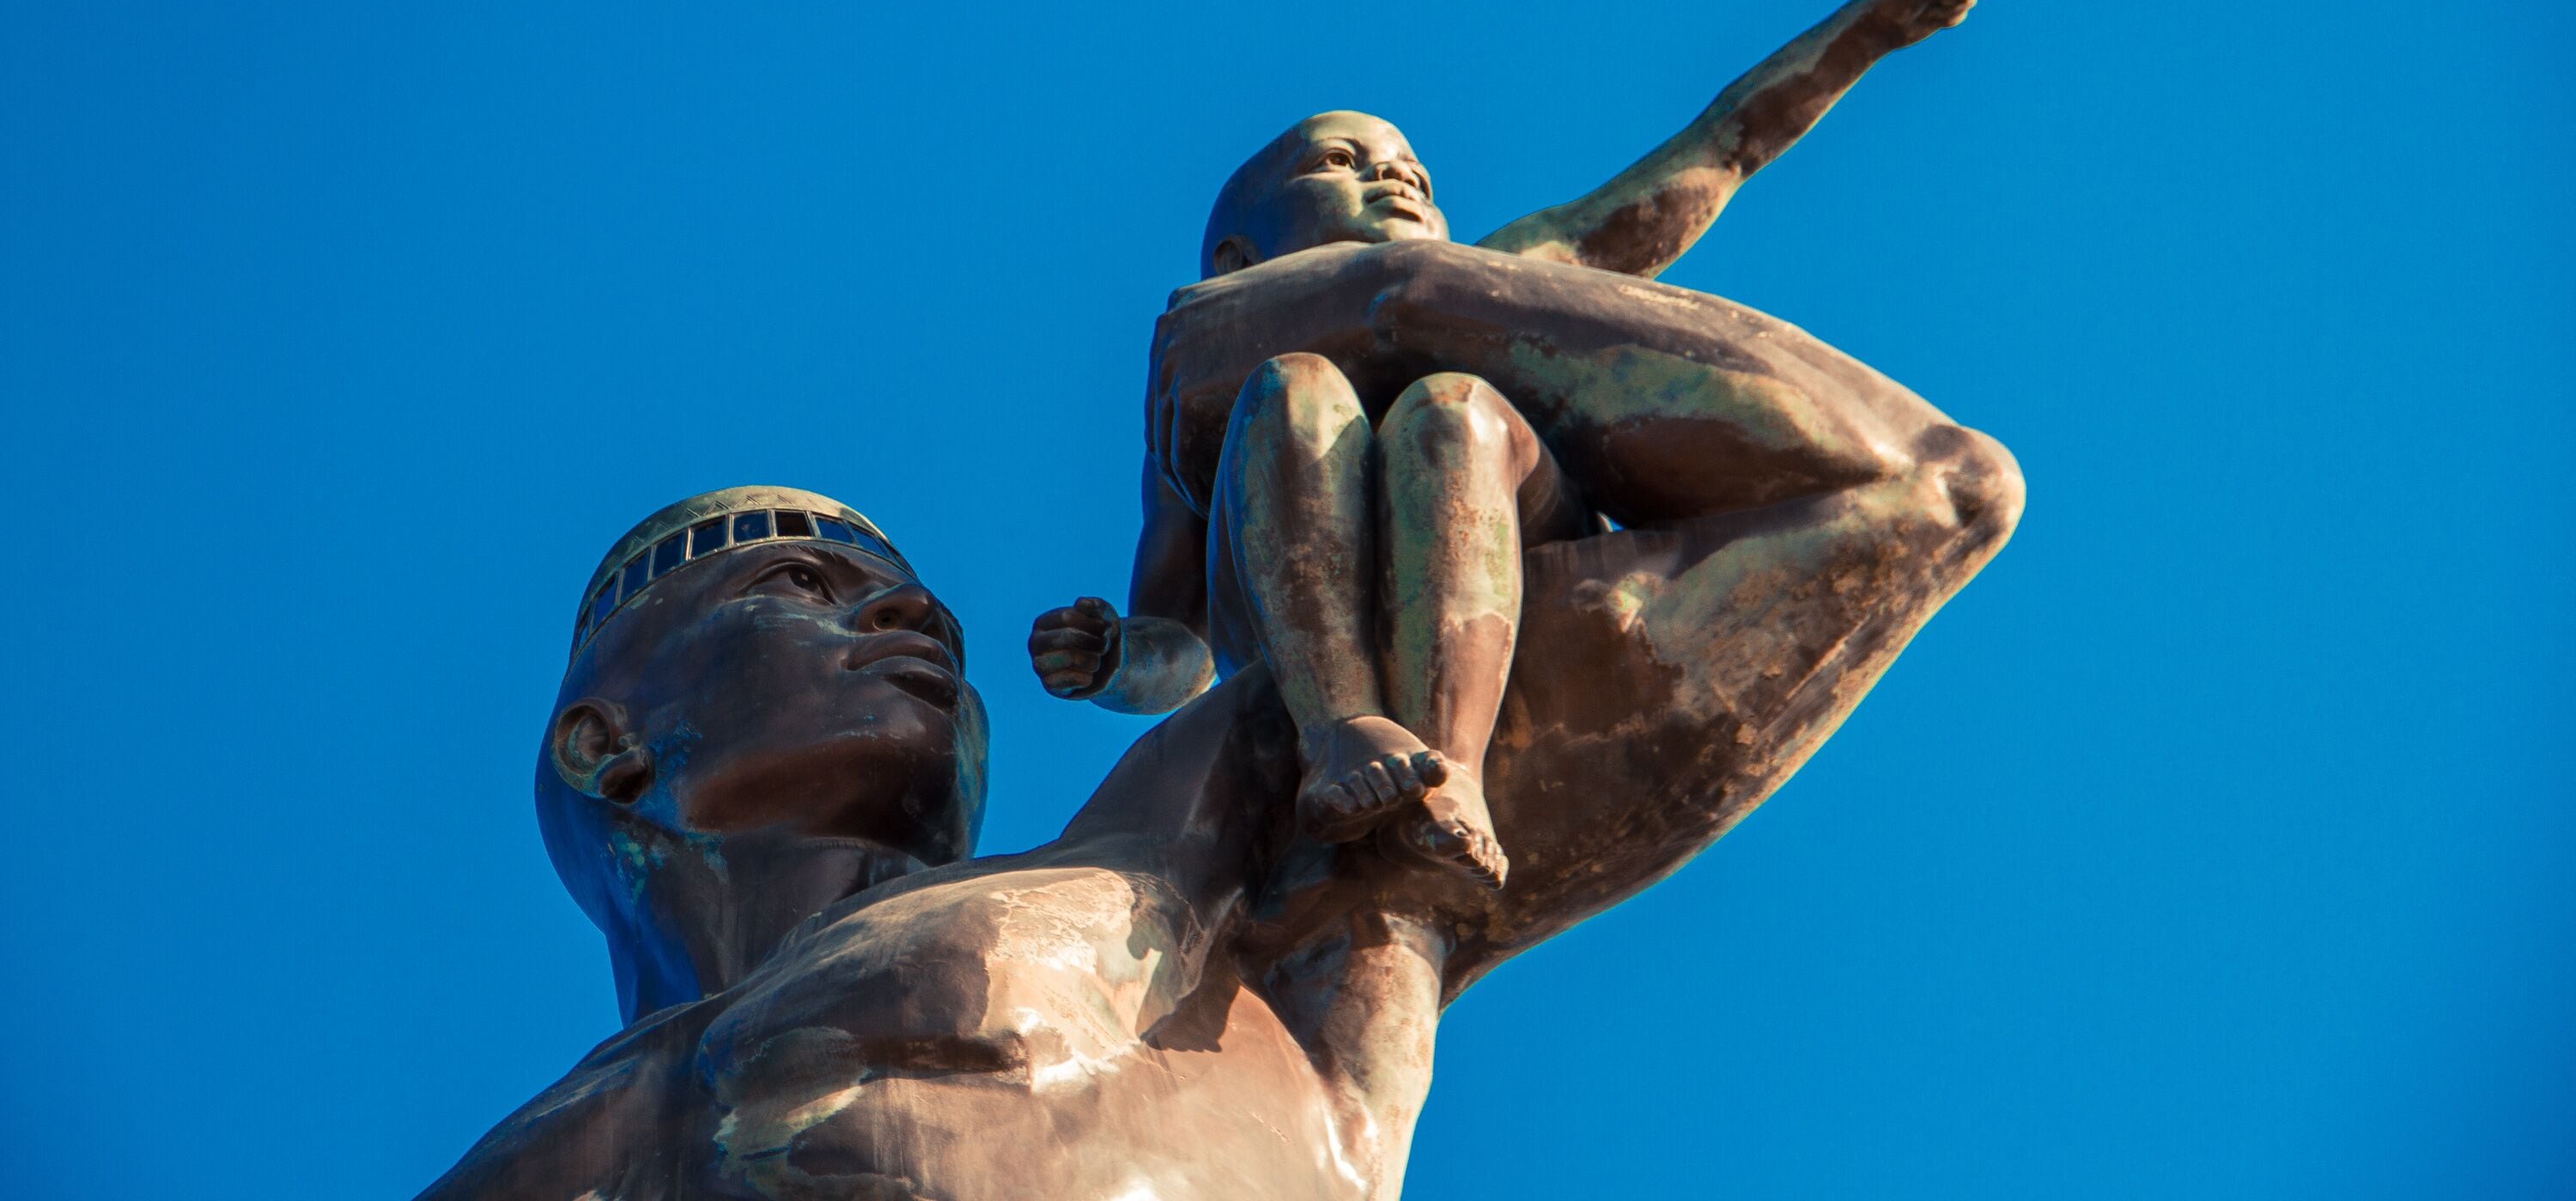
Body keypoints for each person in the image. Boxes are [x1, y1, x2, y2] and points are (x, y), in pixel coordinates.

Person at [423, 415, 2018, 1200]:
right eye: (809, 589)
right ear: (605, 748)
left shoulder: (1187, 842)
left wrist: (1377, 294)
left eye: (919, 607)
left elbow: (1917, 494)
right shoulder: (538, 1149)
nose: (919, 622)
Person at [1030, 0, 2011, 891]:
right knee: (1295, 388)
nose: (1395, 173)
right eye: (1341, 162)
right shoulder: (1199, 389)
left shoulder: (1486, 279)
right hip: (1294, 633)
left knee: (1452, 408)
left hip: (1502, 547)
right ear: (1238, 261)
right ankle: (1340, 730)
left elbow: (1714, 153)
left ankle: (1452, 762)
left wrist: (1863, 33)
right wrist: (1117, 655)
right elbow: (1183, 647)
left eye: (1412, 169)